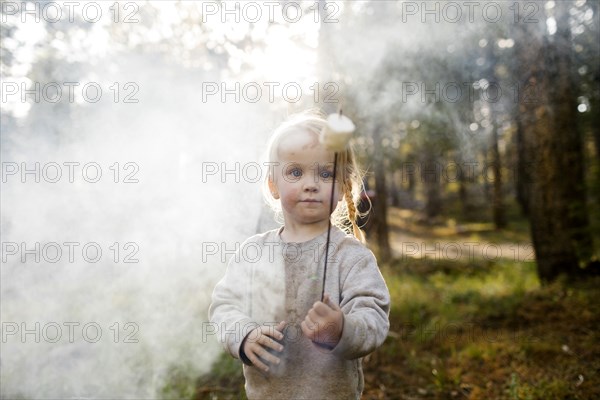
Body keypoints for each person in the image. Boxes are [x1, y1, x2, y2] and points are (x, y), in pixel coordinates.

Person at [208, 110, 390, 399]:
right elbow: (225, 306)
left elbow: (374, 318)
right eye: (295, 172)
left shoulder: (352, 257)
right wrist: (243, 335)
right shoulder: (253, 252)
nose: (310, 183)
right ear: (273, 185)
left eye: (326, 173)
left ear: (343, 187)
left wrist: (343, 328)